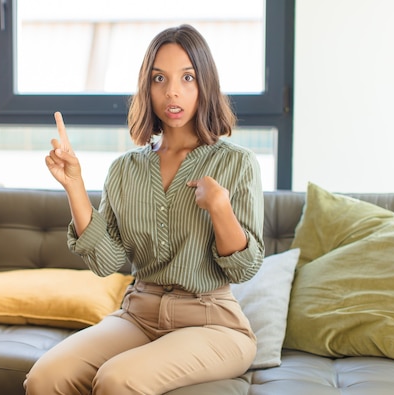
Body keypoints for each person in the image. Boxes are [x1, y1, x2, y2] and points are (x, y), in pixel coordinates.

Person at [24, 24, 264, 395]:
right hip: (138, 315)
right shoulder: (126, 168)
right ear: (147, 88)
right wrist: (73, 184)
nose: (172, 91)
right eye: (159, 78)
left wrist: (220, 208)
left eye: (187, 77)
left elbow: (245, 268)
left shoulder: (237, 163)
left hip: (213, 323)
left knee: (117, 380)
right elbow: (107, 261)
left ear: (205, 85)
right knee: (45, 378)